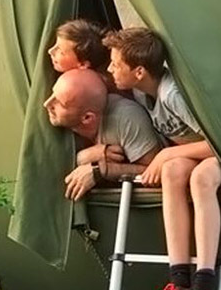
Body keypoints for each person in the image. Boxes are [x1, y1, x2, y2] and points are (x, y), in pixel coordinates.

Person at [104, 28, 221, 290]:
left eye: (116, 63)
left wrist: (165, 155)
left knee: (200, 178)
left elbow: (218, 145)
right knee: (171, 173)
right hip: (192, 152)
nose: (110, 68)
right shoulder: (142, 93)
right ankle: (179, 283)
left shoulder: (172, 95)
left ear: (139, 71)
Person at [43, 68, 162, 200]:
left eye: (60, 103)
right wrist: (83, 157)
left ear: (87, 118)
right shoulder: (60, 122)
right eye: (53, 93)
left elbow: (153, 171)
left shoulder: (126, 118)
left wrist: (101, 170)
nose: (46, 104)